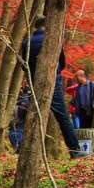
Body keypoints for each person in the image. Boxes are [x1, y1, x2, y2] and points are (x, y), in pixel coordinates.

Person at [22, 17, 84, 157]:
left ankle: (27, 151)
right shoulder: (52, 40)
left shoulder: (27, 42)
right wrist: (54, 72)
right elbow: (62, 63)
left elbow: (24, 65)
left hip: (34, 82)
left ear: (35, 28)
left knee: (33, 115)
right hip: (53, 80)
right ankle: (75, 150)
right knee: (62, 116)